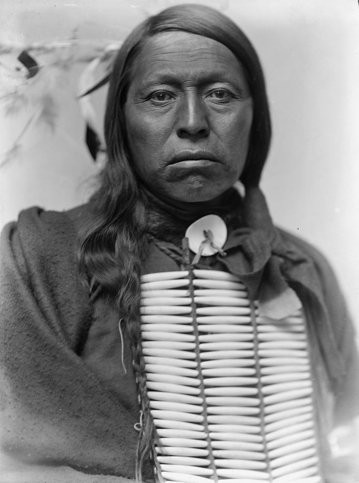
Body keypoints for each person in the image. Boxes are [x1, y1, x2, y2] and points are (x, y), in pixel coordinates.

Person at [1, 4, 358, 483]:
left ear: (257, 118)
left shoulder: (302, 270)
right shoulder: (39, 259)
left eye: (220, 94)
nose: (193, 121)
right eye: (160, 95)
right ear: (122, 122)